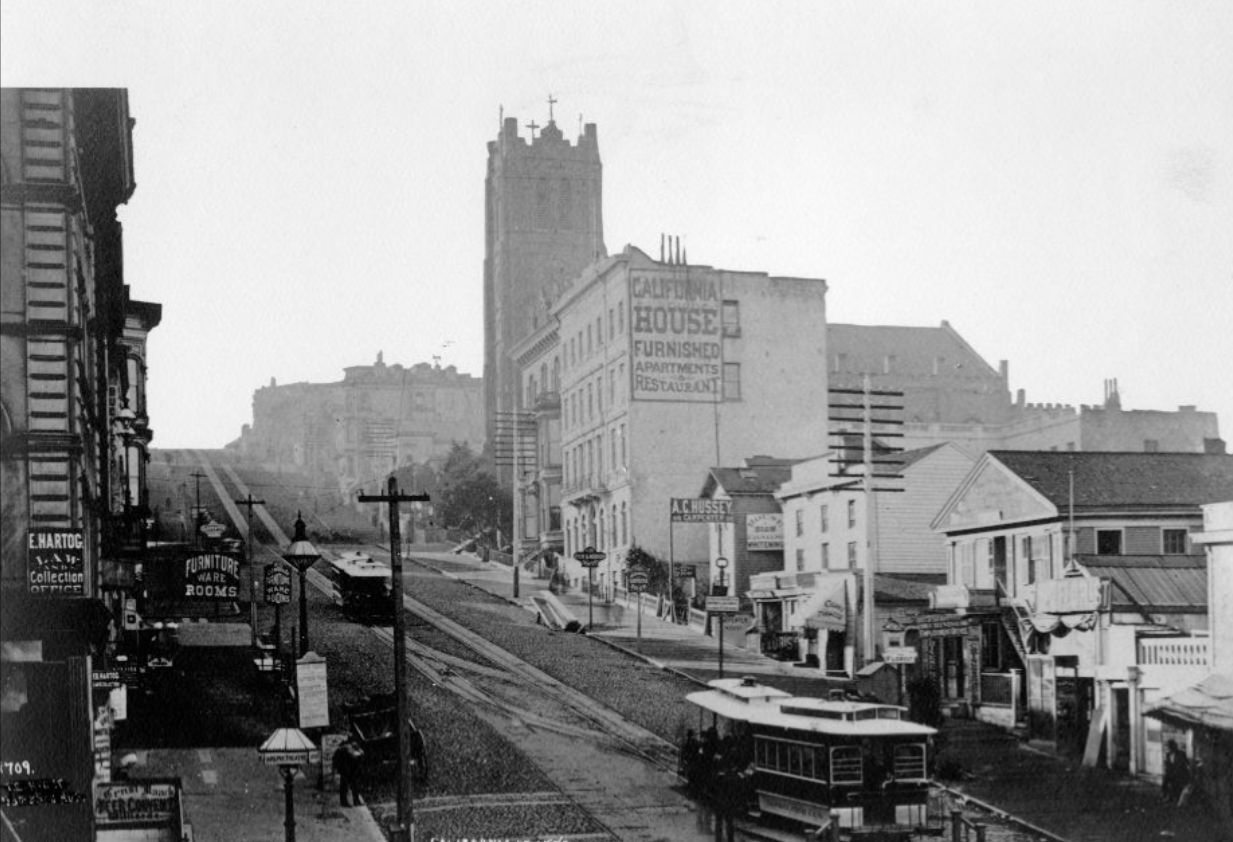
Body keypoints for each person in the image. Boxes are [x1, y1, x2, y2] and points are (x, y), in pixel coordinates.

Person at [333, 738, 364, 807]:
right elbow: (357, 755)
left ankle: (350, 801)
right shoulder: (347, 750)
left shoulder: (341, 750)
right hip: (347, 771)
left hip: (348, 771)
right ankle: (353, 801)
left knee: (349, 787)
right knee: (348, 787)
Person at [1162, 739, 1190, 806]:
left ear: (1174, 747)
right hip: (1172, 773)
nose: (1168, 749)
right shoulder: (1168, 755)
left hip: (1180, 773)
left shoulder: (1181, 754)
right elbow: (1168, 765)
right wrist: (1167, 770)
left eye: (1170, 747)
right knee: (1165, 781)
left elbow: (1185, 764)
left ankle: (1174, 797)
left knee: (1176, 781)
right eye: (1167, 747)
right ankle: (1167, 796)